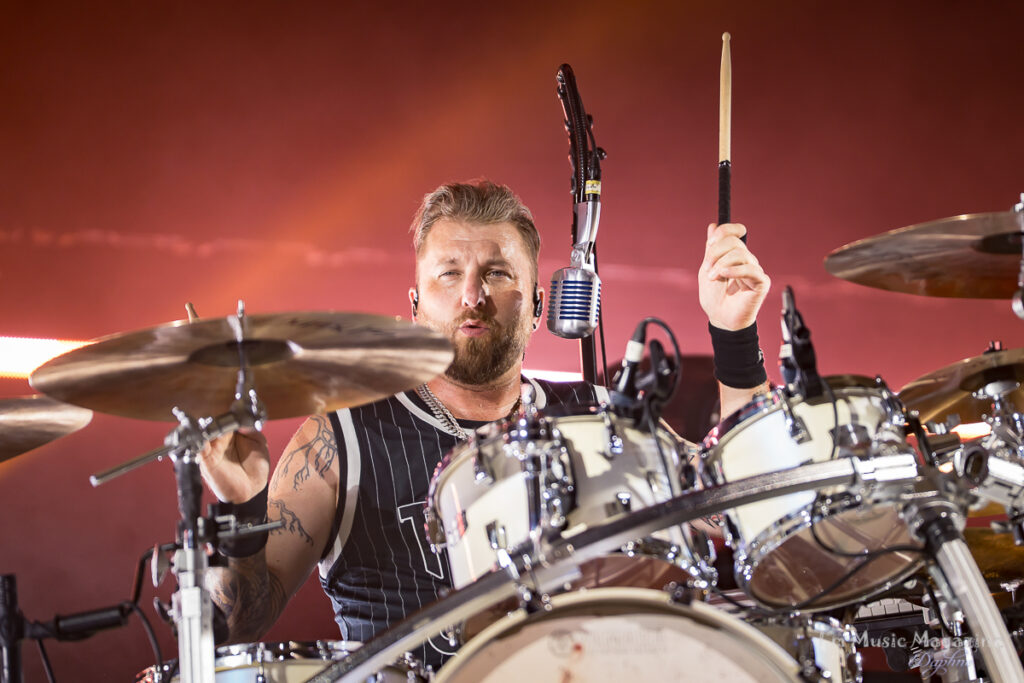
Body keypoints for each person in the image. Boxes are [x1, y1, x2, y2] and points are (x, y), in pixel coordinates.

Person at [199, 179, 771, 669]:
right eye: (449, 274)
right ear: (414, 306)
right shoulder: (341, 436)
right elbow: (240, 621)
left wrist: (735, 334)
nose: (472, 295)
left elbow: (744, 505)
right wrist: (241, 507)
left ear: (539, 304)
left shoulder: (600, 416)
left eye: (496, 273)